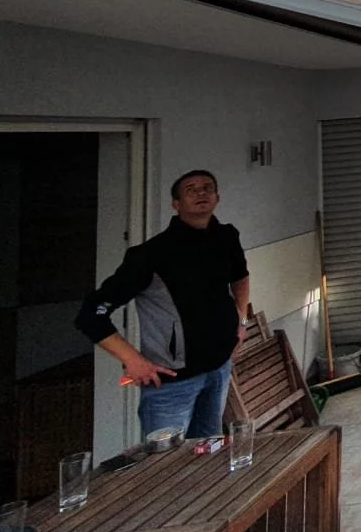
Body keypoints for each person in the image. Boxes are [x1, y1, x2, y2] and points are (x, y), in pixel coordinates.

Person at [76, 169, 250, 439]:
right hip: (172, 381)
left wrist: (241, 320)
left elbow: (240, 277)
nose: (201, 193)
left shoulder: (226, 237)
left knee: (207, 452)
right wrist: (133, 360)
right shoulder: (151, 255)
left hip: (219, 368)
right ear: (176, 204)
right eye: (191, 190)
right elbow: (91, 314)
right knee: (164, 463)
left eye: (207, 188)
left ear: (217, 198)